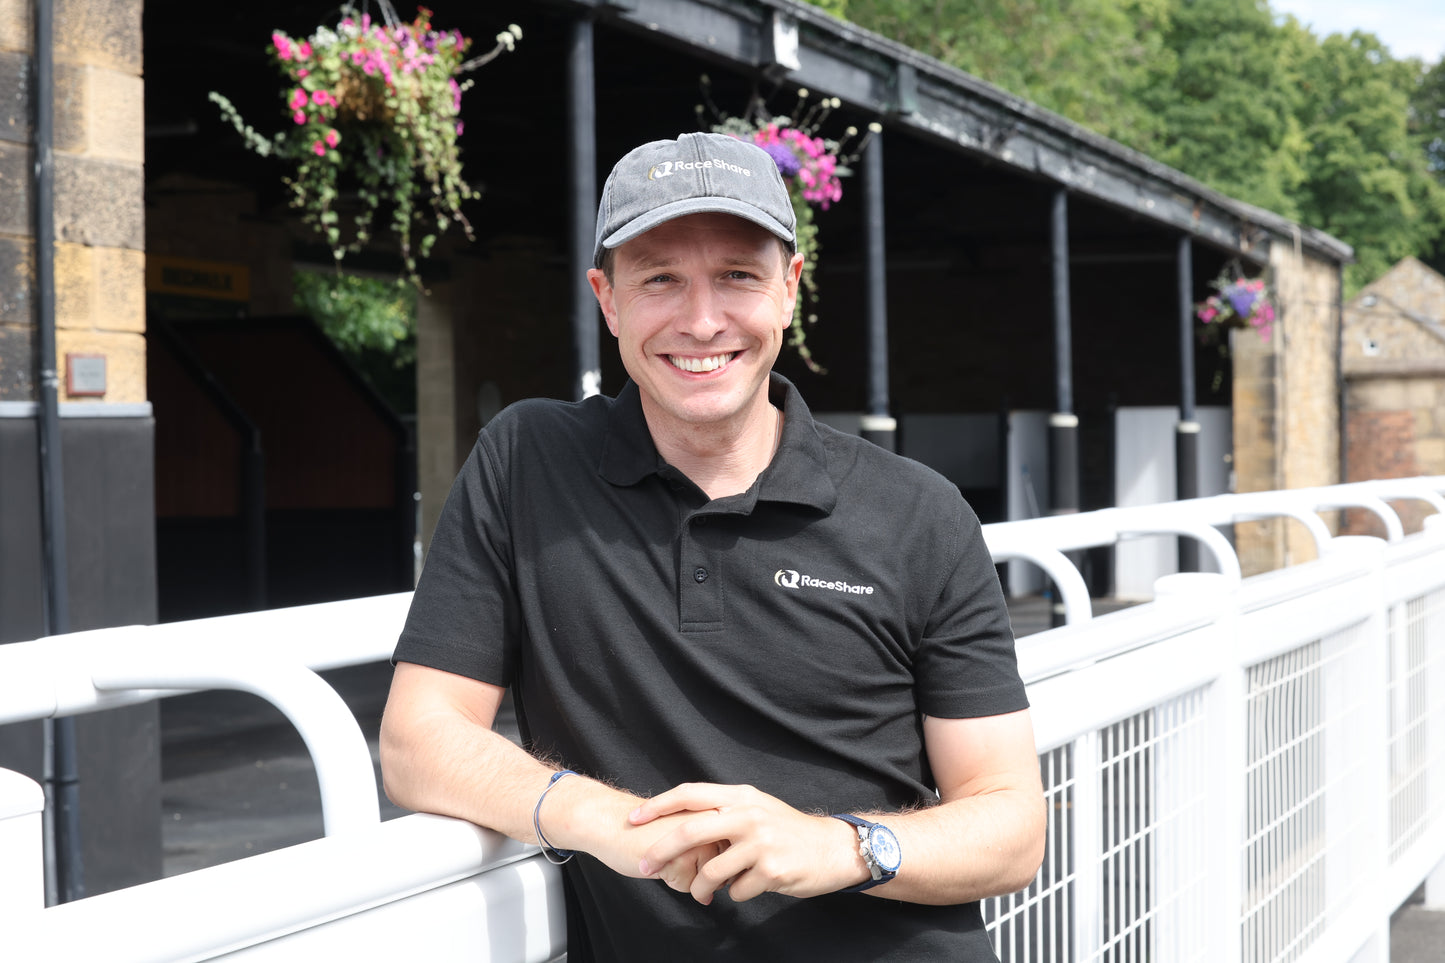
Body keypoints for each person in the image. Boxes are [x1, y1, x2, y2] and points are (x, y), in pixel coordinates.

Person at [380, 131, 1045, 962]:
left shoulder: (920, 513)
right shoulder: (527, 465)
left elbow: (1012, 824)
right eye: (660, 279)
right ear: (607, 298)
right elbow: (417, 739)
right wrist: (608, 823)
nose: (702, 321)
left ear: (789, 289)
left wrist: (834, 846)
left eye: (737, 275)